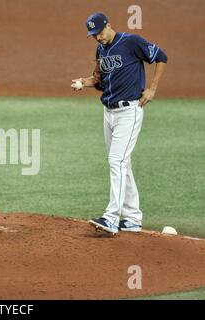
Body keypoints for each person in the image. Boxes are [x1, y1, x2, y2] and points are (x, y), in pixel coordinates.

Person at [72, 13, 167, 234]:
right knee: (122, 163)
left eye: (99, 33)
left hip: (129, 112)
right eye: (93, 35)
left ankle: (111, 217)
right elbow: (97, 79)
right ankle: (133, 218)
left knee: (117, 161)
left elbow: (161, 56)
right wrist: (83, 83)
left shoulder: (131, 42)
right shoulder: (101, 49)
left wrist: (152, 88)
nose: (97, 38)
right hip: (109, 113)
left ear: (108, 26)